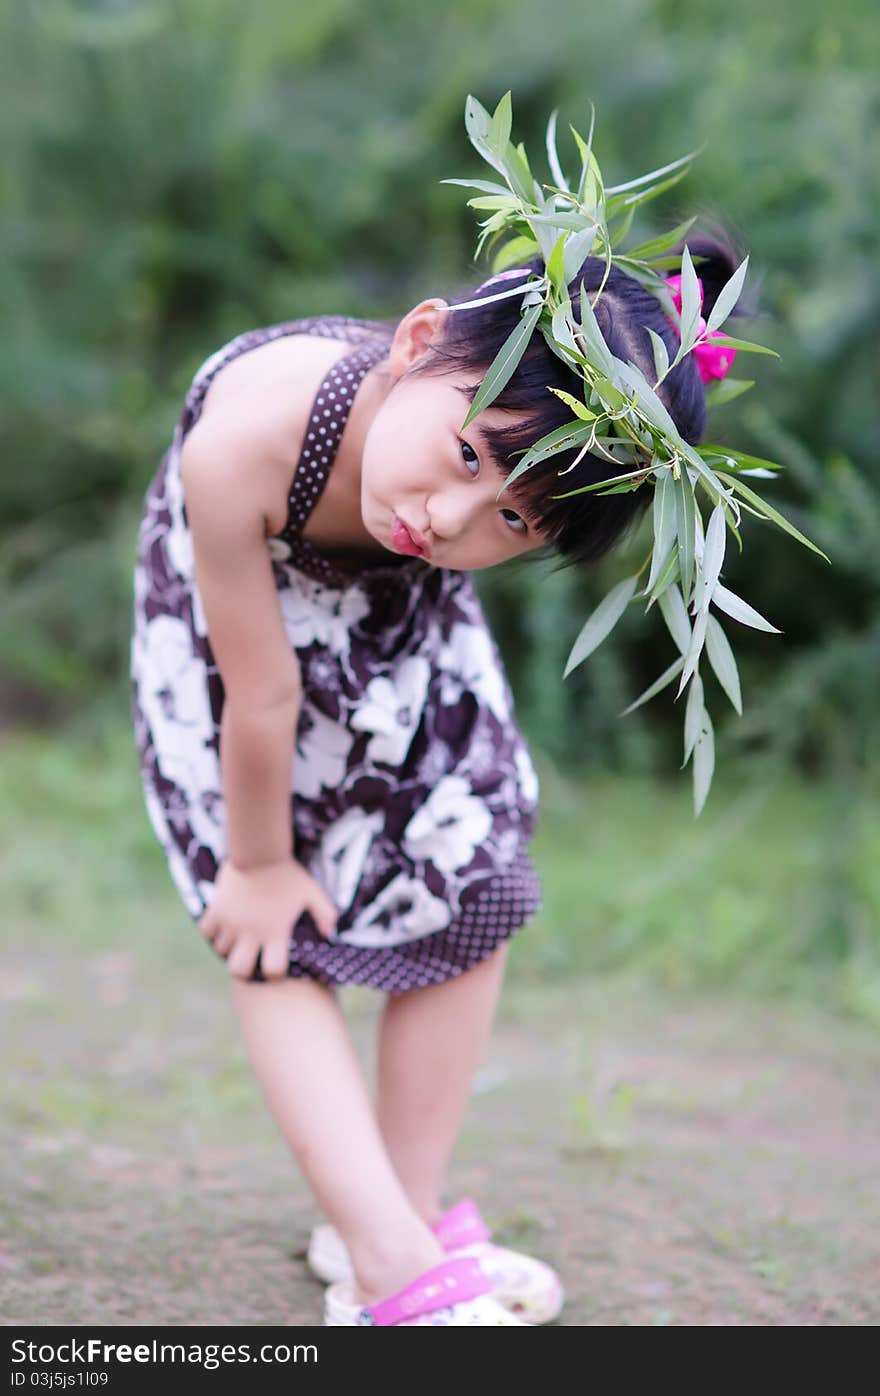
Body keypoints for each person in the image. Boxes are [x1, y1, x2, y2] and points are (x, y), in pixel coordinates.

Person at [129, 232, 739, 1326]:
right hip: (238, 646)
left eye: (513, 519)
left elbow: (449, 517)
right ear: (416, 340)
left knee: (476, 867)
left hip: (399, 624)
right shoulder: (246, 445)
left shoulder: (426, 525)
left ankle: (389, 1219)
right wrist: (259, 863)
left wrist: (473, 500)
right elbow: (258, 695)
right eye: (468, 456)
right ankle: (389, 1263)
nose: (450, 521)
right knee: (272, 929)